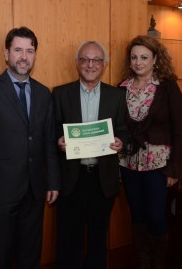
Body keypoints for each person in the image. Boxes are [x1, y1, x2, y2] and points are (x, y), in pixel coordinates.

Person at [0, 26, 61, 269]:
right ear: (6, 54)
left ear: (35, 55)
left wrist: (52, 181)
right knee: (1, 255)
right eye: (18, 50)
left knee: (30, 254)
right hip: (0, 194)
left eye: (29, 51)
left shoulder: (43, 93)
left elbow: (49, 142)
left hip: (34, 189)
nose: (24, 56)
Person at [52, 41, 129, 269]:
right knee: (69, 240)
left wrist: (120, 141)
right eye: (85, 59)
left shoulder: (116, 95)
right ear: (77, 63)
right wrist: (58, 140)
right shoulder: (60, 94)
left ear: (104, 64)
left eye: (96, 60)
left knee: (98, 238)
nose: (90, 65)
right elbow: (53, 128)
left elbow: (123, 128)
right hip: (71, 179)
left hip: (102, 179)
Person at [118, 35, 182, 269]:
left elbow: (179, 129)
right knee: (137, 215)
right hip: (128, 163)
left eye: (144, 57)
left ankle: (159, 264)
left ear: (155, 59)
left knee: (156, 216)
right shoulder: (122, 87)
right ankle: (143, 262)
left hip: (158, 163)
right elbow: (119, 126)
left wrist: (174, 167)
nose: (138, 62)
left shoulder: (167, 86)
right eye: (134, 57)